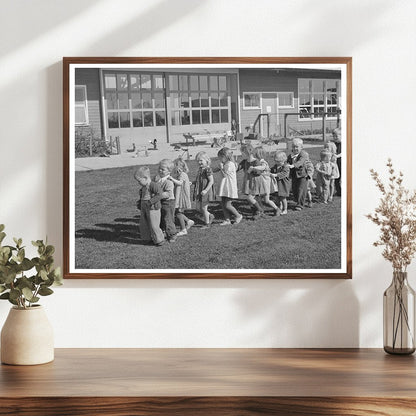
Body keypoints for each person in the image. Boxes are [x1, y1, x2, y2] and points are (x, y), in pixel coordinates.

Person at [134, 166, 164, 246]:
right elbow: (142, 197)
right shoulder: (143, 187)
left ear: (145, 178)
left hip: (153, 208)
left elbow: (159, 195)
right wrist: (140, 204)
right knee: (144, 223)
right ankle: (146, 238)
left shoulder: (153, 185)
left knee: (154, 224)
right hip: (144, 207)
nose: (138, 183)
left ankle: (159, 239)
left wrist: (151, 202)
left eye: (139, 181)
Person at [237, 143, 265, 219]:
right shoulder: (244, 161)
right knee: (251, 198)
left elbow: (260, 172)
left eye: (243, 152)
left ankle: (260, 210)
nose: (241, 154)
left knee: (250, 198)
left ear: (248, 152)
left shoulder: (256, 161)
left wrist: (253, 170)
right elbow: (237, 168)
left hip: (254, 182)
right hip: (248, 181)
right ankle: (256, 211)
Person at [216, 147, 243, 225]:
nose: (220, 159)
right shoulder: (226, 164)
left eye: (220, 157)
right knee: (223, 203)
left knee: (228, 205)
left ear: (225, 156)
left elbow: (224, 175)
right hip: (224, 186)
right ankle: (227, 219)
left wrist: (221, 168)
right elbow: (216, 169)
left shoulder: (230, 164)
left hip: (229, 187)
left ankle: (238, 215)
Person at [168, 157, 194, 237]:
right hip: (180, 195)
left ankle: (183, 230)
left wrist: (171, 179)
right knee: (177, 212)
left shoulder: (182, 175)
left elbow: (180, 183)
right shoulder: (182, 174)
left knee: (178, 212)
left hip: (181, 196)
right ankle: (188, 221)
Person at [250, 146, 279, 216]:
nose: (253, 155)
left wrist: (254, 168)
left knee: (266, 200)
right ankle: (260, 210)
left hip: (265, 183)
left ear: (258, 155)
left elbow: (263, 167)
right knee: (258, 197)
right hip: (260, 183)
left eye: (254, 154)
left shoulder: (263, 162)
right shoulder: (257, 162)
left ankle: (277, 209)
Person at [155, 159, 177, 243]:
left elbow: (168, 194)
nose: (160, 171)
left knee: (168, 218)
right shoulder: (158, 179)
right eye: (159, 168)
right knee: (161, 217)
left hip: (168, 202)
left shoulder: (169, 182)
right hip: (160, 201)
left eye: (163, 169)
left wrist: (158, 195)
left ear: (169, 171)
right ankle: (163, 232)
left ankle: (172, 234)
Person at [193, 151, 215, 229]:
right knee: (198, 208)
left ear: (207, 160)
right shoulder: (200, 169)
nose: (199, 162)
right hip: (200, 191)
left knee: (203, 208)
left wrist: (206, 190)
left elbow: (211, 181)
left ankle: (207, 223)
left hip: (205, 191)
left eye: (201, 160)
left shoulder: (208, 169)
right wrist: (192, 182)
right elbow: (200, 180)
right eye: (198, 160)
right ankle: (210, 216)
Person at [287, 138, 309, 211]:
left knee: (301, 189)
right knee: (294, 189)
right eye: (293, 146)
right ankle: (301, 200)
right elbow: (287, 162)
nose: (295, 148)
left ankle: (300, 204)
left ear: (301, 147)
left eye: (297, 147)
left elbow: (301, 162)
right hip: (294, 175)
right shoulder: (291, 155)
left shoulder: (303, 154)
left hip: (302, 175)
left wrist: (294, 165)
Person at [270, 151, 291, 215]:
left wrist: (276, 175)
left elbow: (284, 173)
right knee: (278, 196)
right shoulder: (276, 166)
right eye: (276, 161)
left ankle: (285, 209)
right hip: (278, 184)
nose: (277, 163)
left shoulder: (286, 166)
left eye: (279, 162)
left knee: (283, 197)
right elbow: (272, 169)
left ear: (283, 160)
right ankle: (280, 206)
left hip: (284, 184)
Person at [331, 127, 342, 196]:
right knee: (336, 177)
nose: (335, 137)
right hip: (335, 163)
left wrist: (338, 156)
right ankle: (338, 191)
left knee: (342, 177)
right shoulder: (334, 144)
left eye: (336, 136)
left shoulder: (343, 143)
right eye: (334, 136)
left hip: (342, 162)